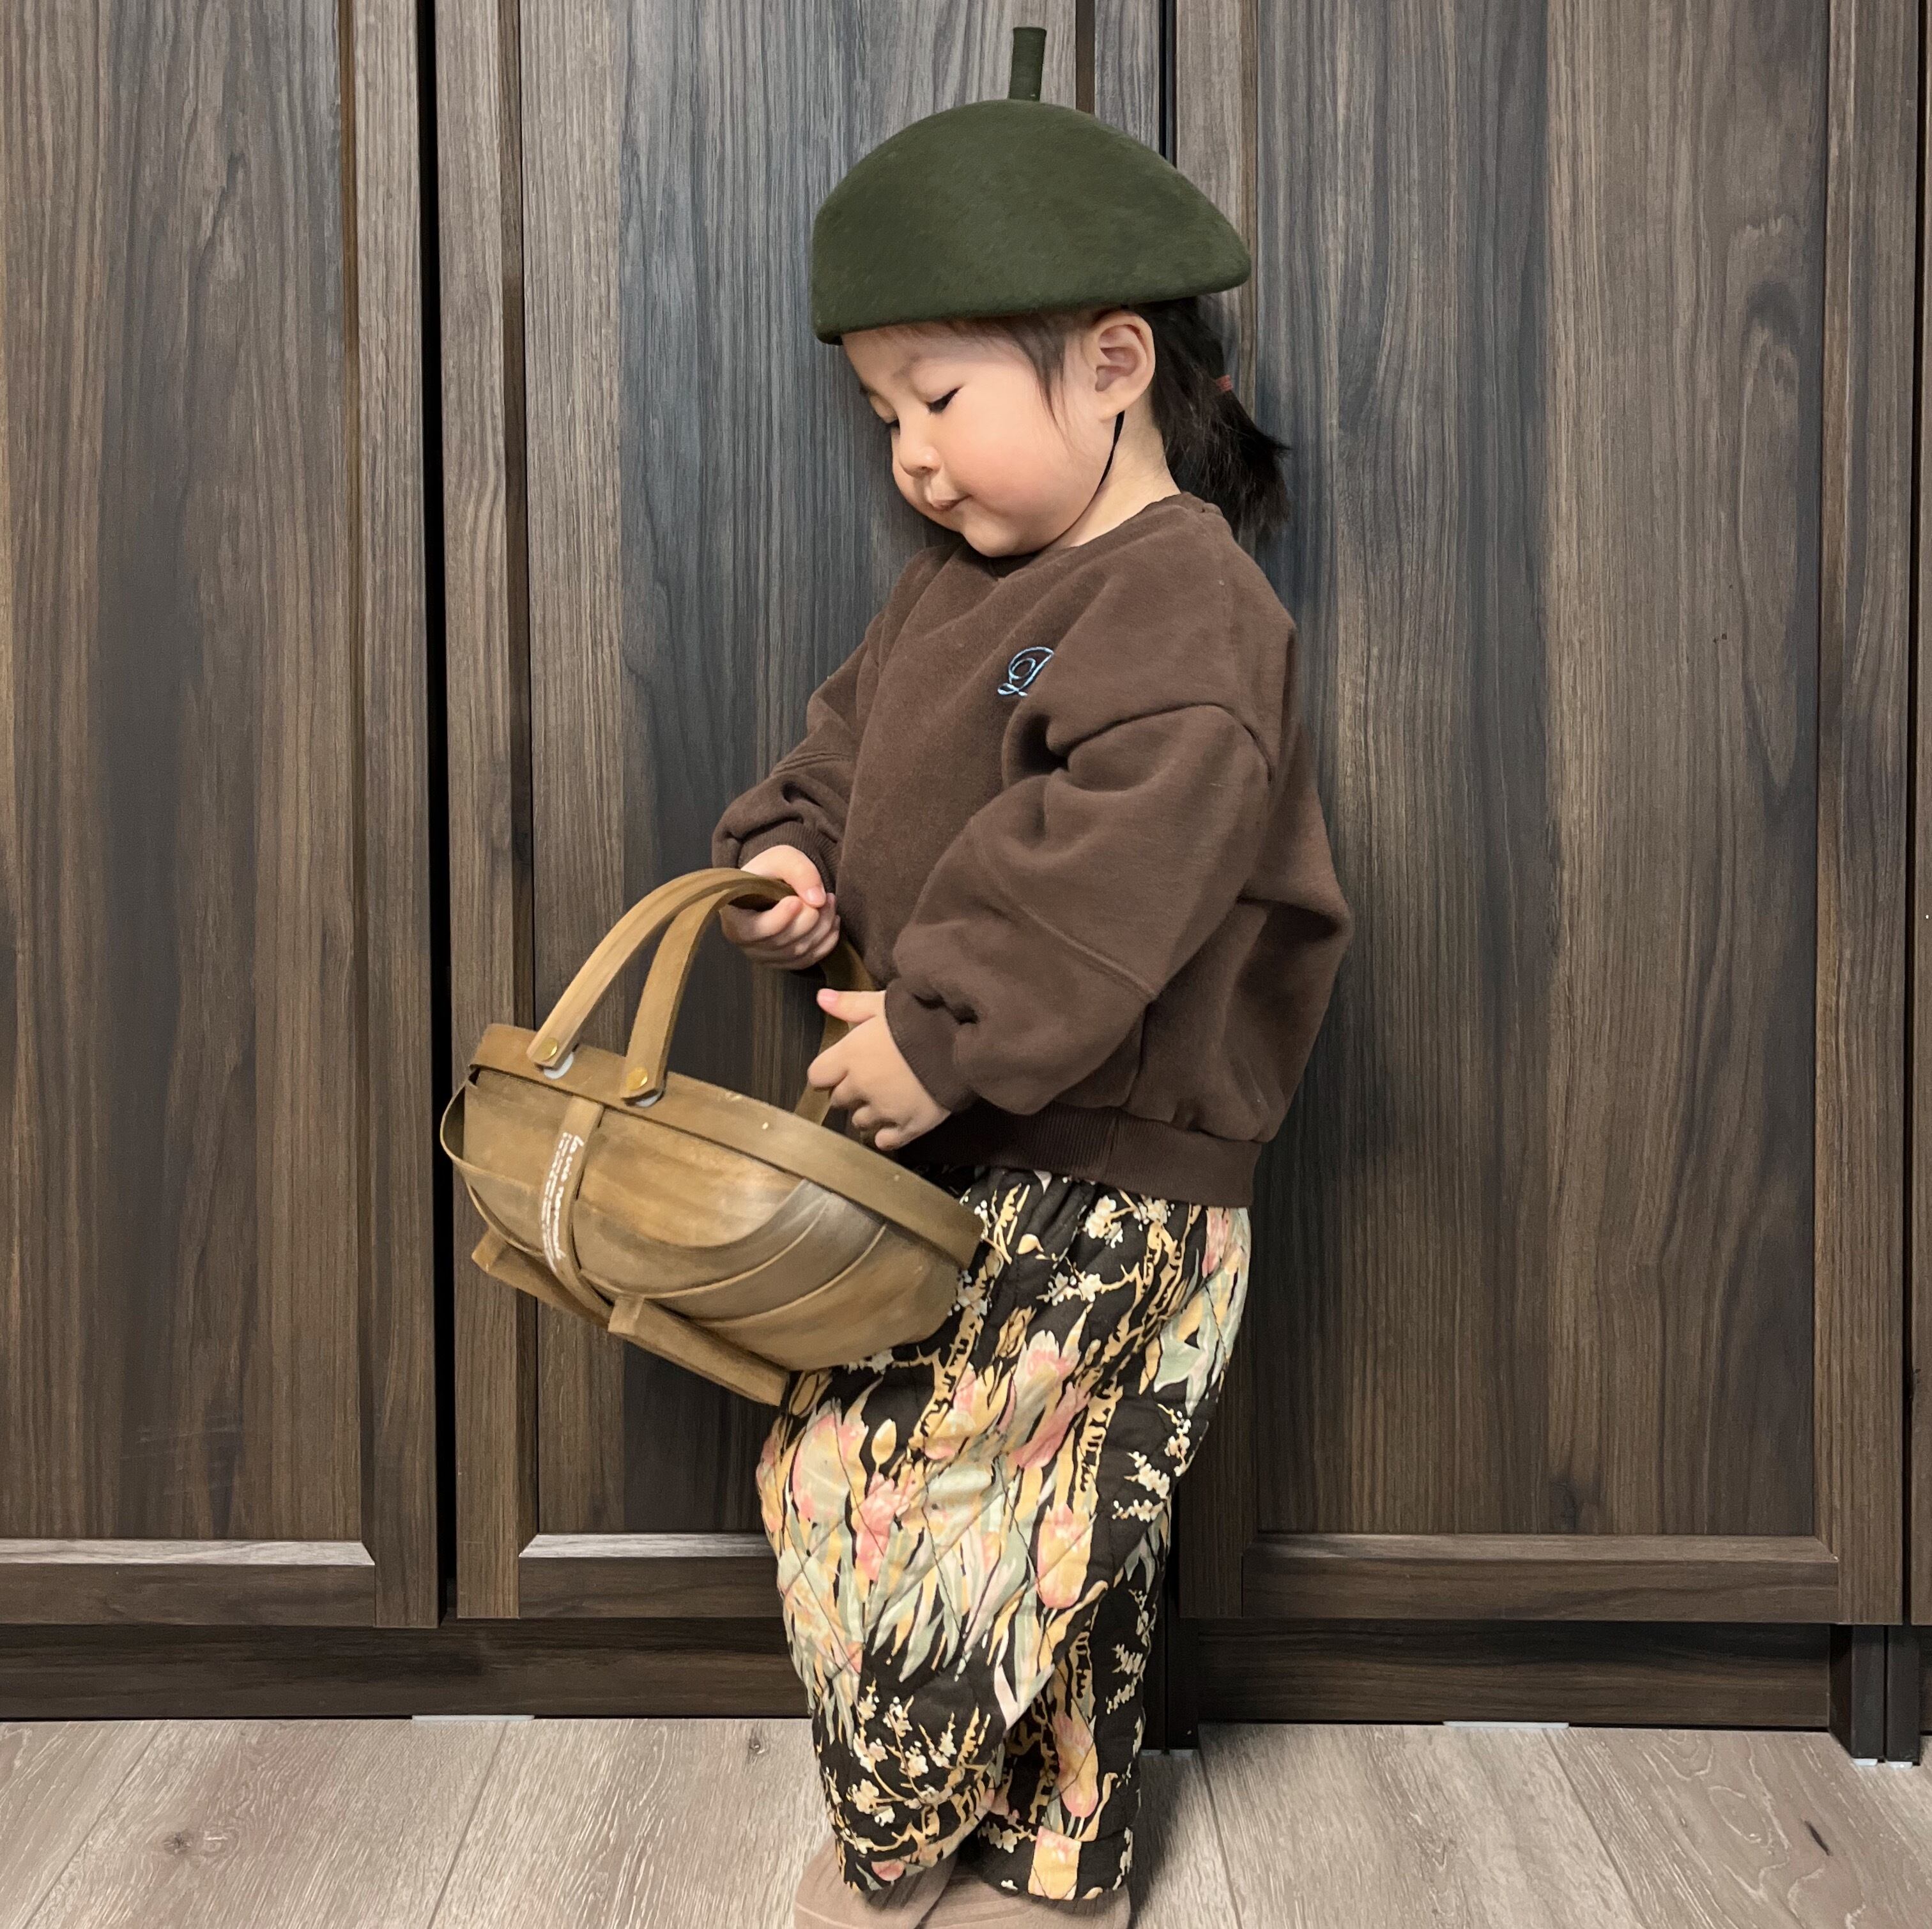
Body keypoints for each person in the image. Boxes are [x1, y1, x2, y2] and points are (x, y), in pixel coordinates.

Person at [710, 28, 1352, 1928]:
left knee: (885, 1484)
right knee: (1056, 1521)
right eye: (881, 415)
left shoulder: (1182, 600)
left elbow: (1115, 864)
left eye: (937, 396)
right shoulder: (957, 587)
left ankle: (896, 1838)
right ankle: (1064, 1850)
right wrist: (793, 857)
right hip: (1000, 1148)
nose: (909, 452)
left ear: (1115, 364)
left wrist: (939, 1033)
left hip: (1111, 1174)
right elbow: (852, 747)